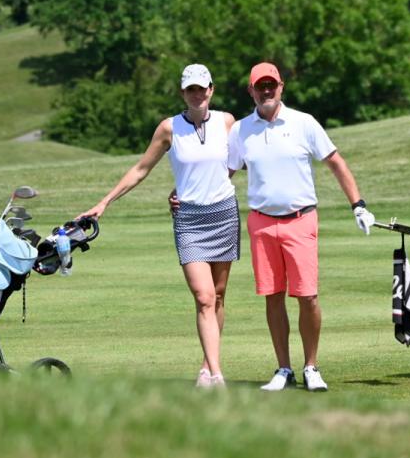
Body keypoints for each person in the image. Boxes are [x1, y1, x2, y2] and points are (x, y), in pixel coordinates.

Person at [81, 63, 237, 388]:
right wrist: (105, 202)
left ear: (211, 90)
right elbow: (141, 169)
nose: (197, 94)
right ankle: (217, 375)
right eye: (191, 89)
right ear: (183, 92)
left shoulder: (226, 122)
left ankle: (206, 367)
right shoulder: (169, 128)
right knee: (204, 296)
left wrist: (214, 181)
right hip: (189, 220)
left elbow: (236, 162)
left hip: (223, 213)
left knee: (219, 296)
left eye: (202, 88)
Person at [227, 61, 376, 392]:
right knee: (272, 296)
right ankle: (284, 368)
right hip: (261, 223)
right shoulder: (240, 130)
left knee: (307, 296)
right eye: (260, 86)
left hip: (300, 219)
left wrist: (358, 204)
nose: (267, 90)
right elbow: (226, 173)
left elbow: (335, 162)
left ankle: (311, 366)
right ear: (251, 91)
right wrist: (189, 197)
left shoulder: (303, 123)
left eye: (272, 84)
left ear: (281, 87)